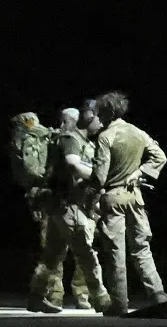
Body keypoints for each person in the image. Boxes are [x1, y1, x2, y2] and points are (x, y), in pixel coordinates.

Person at [90, 91, 167, 315]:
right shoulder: (137, 132)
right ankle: (157, 293)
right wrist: (140, 172)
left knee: (116, 251)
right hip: (135, 197)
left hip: (113, 198)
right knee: (142, 247)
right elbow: (160, 156)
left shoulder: (106, 137)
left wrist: (89, 196)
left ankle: (120, 302)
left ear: (105, 113)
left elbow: (99, 177)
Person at [25, 107, 112, 313]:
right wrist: (99, 175)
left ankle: (36, 296)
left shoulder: (80, 140)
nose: (101, 122)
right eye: (98, 118)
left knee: (52, 256)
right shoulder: (71, 139)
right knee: (86, 254)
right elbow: (73, 165)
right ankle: (101, 298)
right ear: (88, 118)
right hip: (68, 206)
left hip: (62, 206)